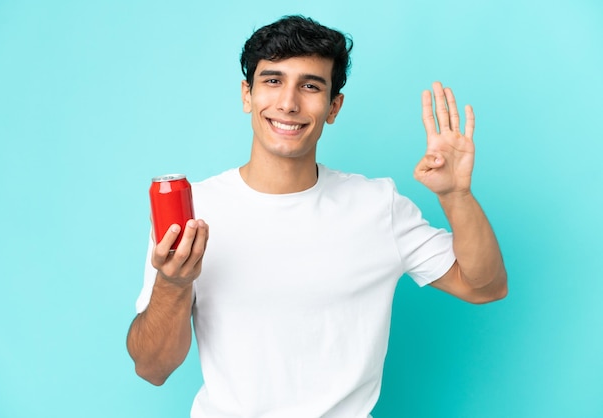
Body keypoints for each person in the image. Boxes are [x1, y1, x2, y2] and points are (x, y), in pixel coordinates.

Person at [126, 15, 507, 418]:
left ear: (333, 107)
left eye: (310, 86)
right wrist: (172, 282)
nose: (288, 103)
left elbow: (485, 286)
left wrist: (455, 195)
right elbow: (152, 368)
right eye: (273, 80)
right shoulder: (194, 211)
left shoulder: (379, 205)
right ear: (246, 95)